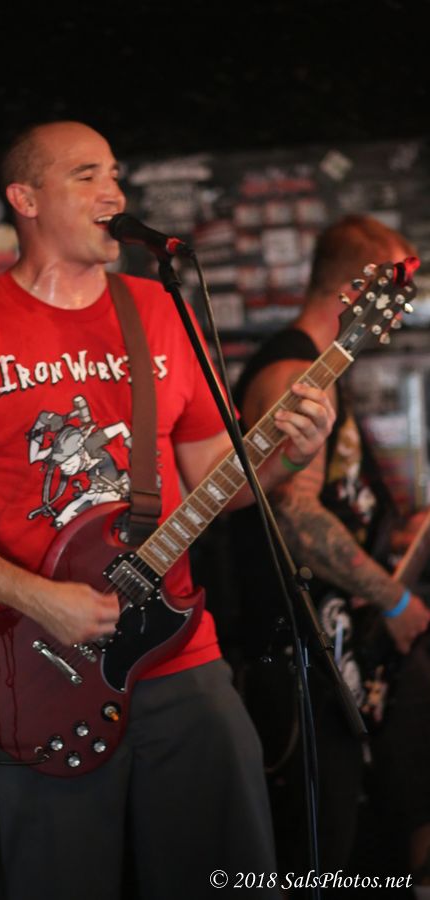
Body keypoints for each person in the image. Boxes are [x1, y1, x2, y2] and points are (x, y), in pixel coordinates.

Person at [0, 120, 335, 900]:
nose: (113, 193)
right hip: (41, 676)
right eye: (85, 175)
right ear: (25, 199)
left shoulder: (158, 310)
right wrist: (40, 598)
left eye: (116, 174)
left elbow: (216, 487)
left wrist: (289, 452)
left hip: (180, 659)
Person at [227, 214, 430, 892]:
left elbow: (334, 502)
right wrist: (393, 599)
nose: (403, 307)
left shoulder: (325, 370)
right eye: (397, 288)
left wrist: (395, 536)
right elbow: (295, 513)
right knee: (319, 853)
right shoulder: (293, 371)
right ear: (358, 288)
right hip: (300, 659)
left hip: (337, 647)